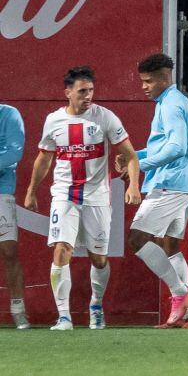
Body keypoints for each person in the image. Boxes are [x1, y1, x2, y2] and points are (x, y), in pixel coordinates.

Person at [23, 67, 141, 331]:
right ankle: (64, 317)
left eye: (91, 91)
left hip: (97, 196)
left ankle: (96, 305)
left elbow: (130, 155)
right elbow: (44, 157)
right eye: (82, 91)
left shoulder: (106, 118)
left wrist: (133, 185)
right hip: (64, 193)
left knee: (98, 258)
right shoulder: (53, 120)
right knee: (61, 248)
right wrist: (31, 190)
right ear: (67, 93)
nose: (88, 96)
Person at [124, 54, 188, 328]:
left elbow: (177, 147)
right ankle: (186, 316)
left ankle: (181, 294)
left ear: (164, 78)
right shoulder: (172, 101)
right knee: (170, 245)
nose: (144, 86)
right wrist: (134, 155)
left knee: (137, 237)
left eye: (148, 81)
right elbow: (164, 145)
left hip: (171, 183)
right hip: (183, 184)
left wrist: (140, 163)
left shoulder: (171, 105)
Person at [0, 103, 28, 329]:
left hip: (2, 190)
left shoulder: (8, 114)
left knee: (9, 250)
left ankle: (18, 310)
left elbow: (13, 152)